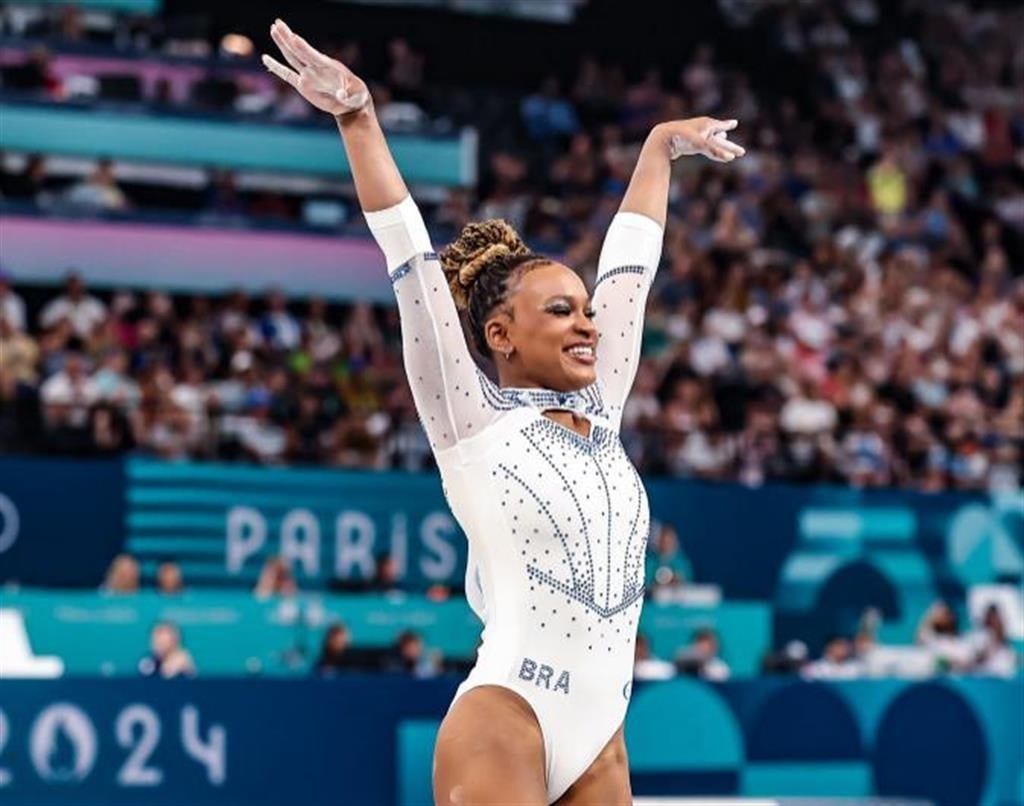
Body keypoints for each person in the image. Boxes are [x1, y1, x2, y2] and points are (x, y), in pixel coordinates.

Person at [263, 18, 744, 805]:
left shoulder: (603, 407)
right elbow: (410, 260)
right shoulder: (470, 420)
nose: (589, 323)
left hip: (602, 738)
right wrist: (358, 117)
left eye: (587, 311)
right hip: (507, 717)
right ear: (499, 334)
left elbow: (633, 268)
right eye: (561, 311)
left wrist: (660, 146)